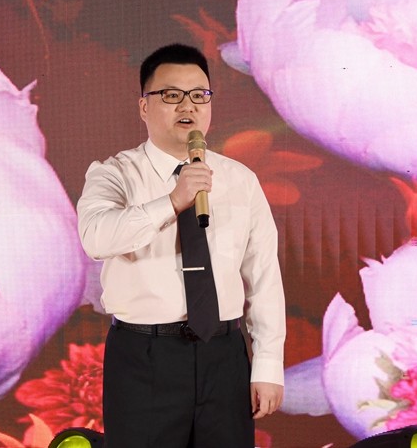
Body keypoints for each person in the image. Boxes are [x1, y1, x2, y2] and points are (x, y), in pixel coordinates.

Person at [77, 43, 285, 448]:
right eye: (171, 95)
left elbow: (263, 276)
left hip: (223, 355)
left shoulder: (240, 179)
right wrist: (172, 202)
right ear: (144, 107)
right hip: (144, 357)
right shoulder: (114, 173)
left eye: (199, 95)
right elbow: (96, 237)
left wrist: (267, 364)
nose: (187, 106)